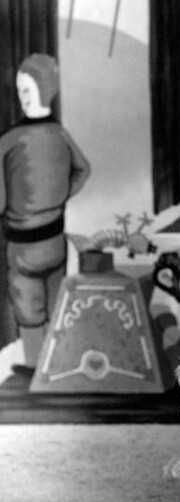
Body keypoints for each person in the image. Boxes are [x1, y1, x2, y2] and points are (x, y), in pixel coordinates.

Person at [0, 53, 90, 376]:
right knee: (55, 300)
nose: (22, 97)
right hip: (55, 239)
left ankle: (36, 366)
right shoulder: (60, 134)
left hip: (23, 244)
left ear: (41, 91)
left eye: (25, 90)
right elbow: (83, 169)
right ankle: (59, 363)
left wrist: (17, 208)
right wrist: (60, 196)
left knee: (27, 304)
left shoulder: (9, 141)